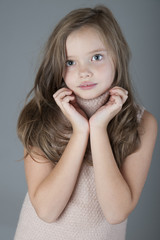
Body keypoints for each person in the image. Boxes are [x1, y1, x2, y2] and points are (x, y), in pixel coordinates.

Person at [14, 5, 157, 240]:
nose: (84, 72)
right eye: (70, 62)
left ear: (117, 58)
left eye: (96, 57)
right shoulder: (40, 115)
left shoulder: (142, 123)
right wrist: (80, 132)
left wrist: (98, 128)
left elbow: (116, 212)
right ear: (58, 67)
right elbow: (47, 211)